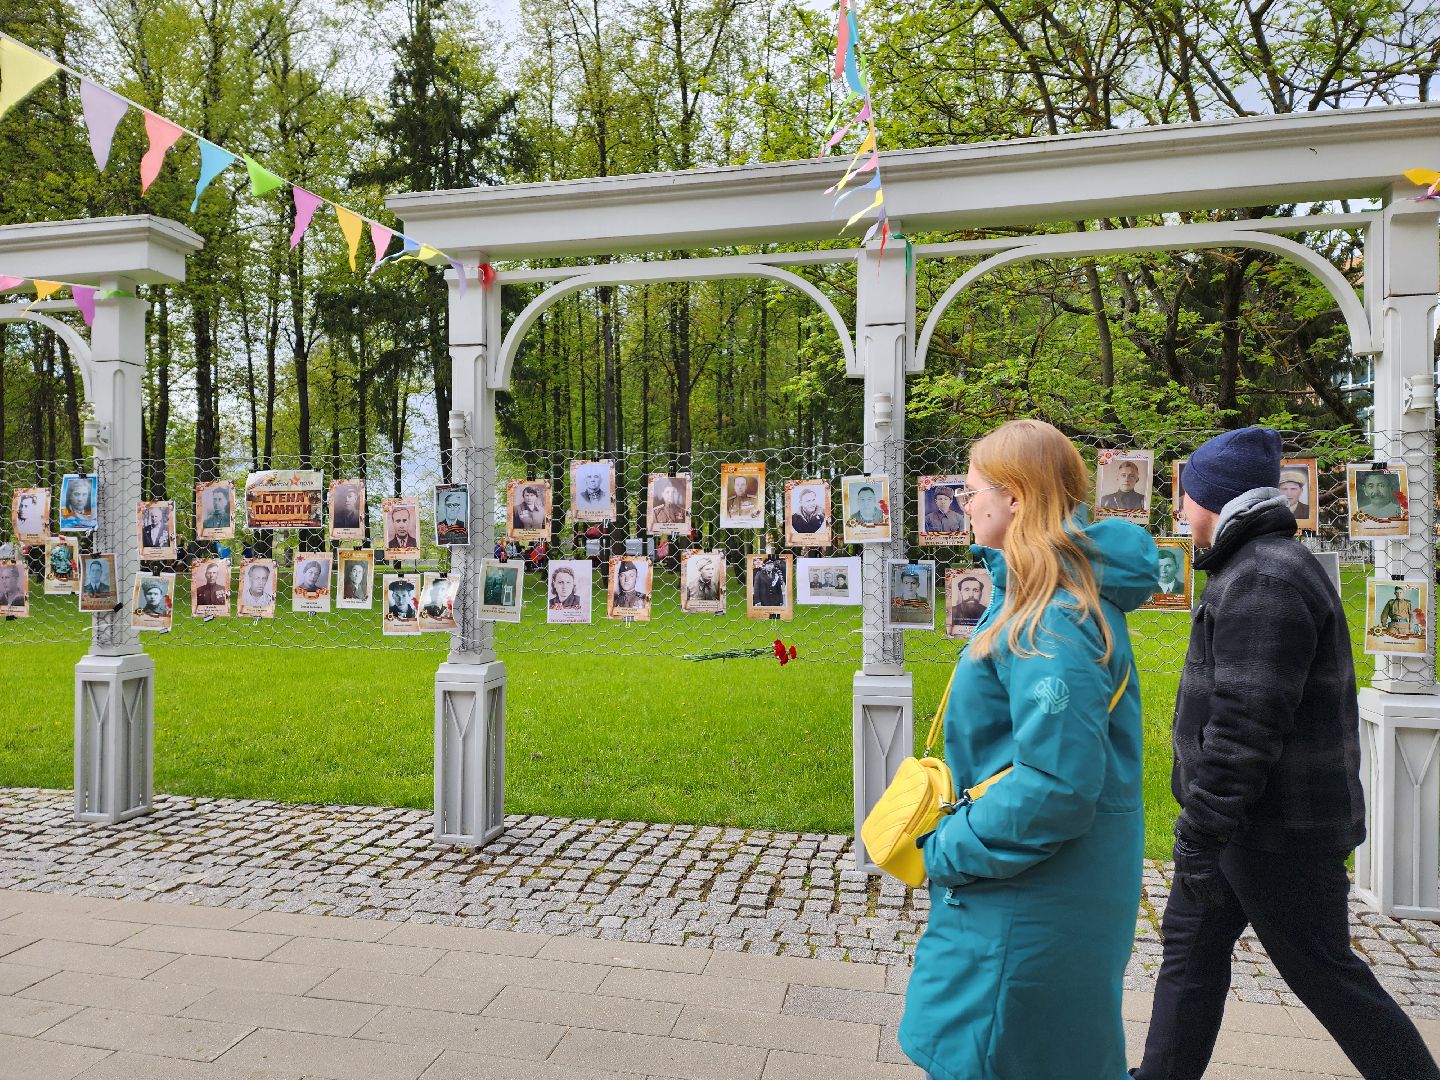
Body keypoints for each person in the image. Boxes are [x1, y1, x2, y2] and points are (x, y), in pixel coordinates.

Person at [1130, 426, 1439, 1080]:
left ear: (1215, 500)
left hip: (1273, 835)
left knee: (1328, 976)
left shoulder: (1266, 576)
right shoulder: (1257, 566)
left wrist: (1201, 830)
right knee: (1190, 955)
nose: (1180, 514)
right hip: (1241, 828)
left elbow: (1246, 725)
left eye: (1185, 500)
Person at [898, 418, 1158, 1080]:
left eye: (974, 487)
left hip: (1025, 908)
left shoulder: (1053, 618)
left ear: (1015, 498)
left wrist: (948, 847)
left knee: (991, 1058)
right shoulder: (1043, 595)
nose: (965, 502)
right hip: (1032, 897)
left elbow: (1056, 787)